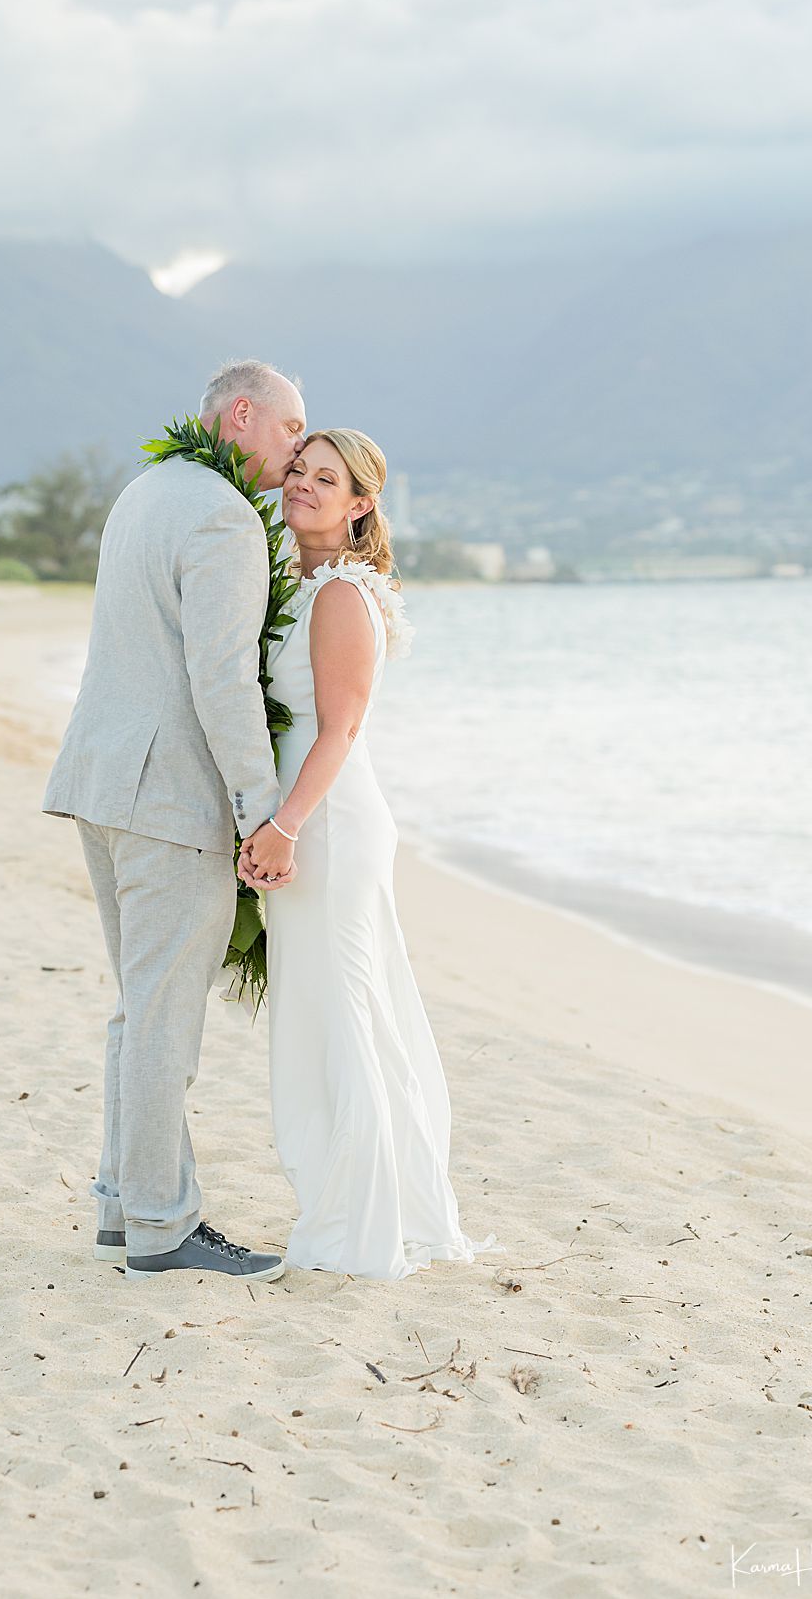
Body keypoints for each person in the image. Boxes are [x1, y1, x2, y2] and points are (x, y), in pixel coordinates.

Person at [43, 359, 306, 1283]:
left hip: (99, 780)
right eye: (289, 428)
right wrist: (261, 812)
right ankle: (162, 1225)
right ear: (242, 414)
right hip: (168, 798)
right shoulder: (226, 515)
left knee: (136, 1006)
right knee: (162, 1017)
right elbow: (222, 677)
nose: (298, 447)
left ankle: (122, 1205)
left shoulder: (145, 490)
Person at [239, 429, 503, 1279]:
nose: (304, 487)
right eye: (298, 472)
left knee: (342, 1013)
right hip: (306, 816)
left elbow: (342, 727)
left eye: (327, 479)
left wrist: (283, 826)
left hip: (330, 824)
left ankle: (364, 1226)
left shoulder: (342, 596)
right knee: (322, 1014)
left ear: (361, 504)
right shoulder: (297, 580)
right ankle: (350, 1203)